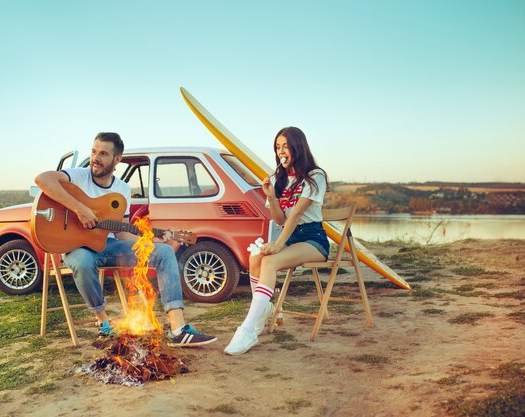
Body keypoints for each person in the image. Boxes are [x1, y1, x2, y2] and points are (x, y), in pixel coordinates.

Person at [35, 132, 216, 347]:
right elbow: (42, 179)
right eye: (94, 152)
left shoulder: (121, 189)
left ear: (117, 159)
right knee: (83, 262)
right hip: (77, 246)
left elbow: (122, 231)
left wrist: (153, 239)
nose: (96, 158)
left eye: (103, 153)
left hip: (110, 245)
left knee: (165, 252)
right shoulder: (78, 176)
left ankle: (178, 329)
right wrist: (80, 209)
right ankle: (104, 324)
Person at [224, 127, 330, 355]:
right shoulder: (277, 178)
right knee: (256, 257)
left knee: (269, 262)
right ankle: (265, 310)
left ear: (298, 147)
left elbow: (297, 215)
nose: (281, 151)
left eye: (285, 146)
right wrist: (271, 196)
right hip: (290, 237)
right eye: (278, 147)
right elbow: (280, 219)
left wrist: (278, 245)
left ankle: (248, 330)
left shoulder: (315, 176)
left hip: (313, 239)